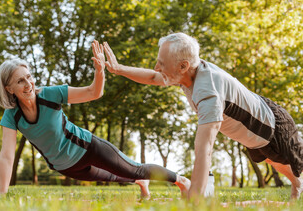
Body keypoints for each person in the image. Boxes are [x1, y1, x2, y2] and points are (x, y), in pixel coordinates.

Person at [102, 33, 303, 200]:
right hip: (256, 128)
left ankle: (297, 183)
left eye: (161, 63)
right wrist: (119, 69)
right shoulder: (187, 74)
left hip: (273, 127)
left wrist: (194, 202)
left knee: (288, 159)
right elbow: (154, 77)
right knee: (271, 159)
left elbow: (204, 150)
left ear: (183, 66)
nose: (156, 67)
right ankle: (297, 184)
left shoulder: (208, 93)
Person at [0, 40, 190, 199]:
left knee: (135, 170)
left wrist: (99, 72)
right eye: (20, 81)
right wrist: (3, 193)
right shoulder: (12, 116)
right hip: (66, 167)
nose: (28, 84)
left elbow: (93, 92)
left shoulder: (50, 95)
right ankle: (141, 183)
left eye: (29, 77)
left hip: (88, 148)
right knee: (115, 177)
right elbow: (7, 156)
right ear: (9, 89)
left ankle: (181, 181)